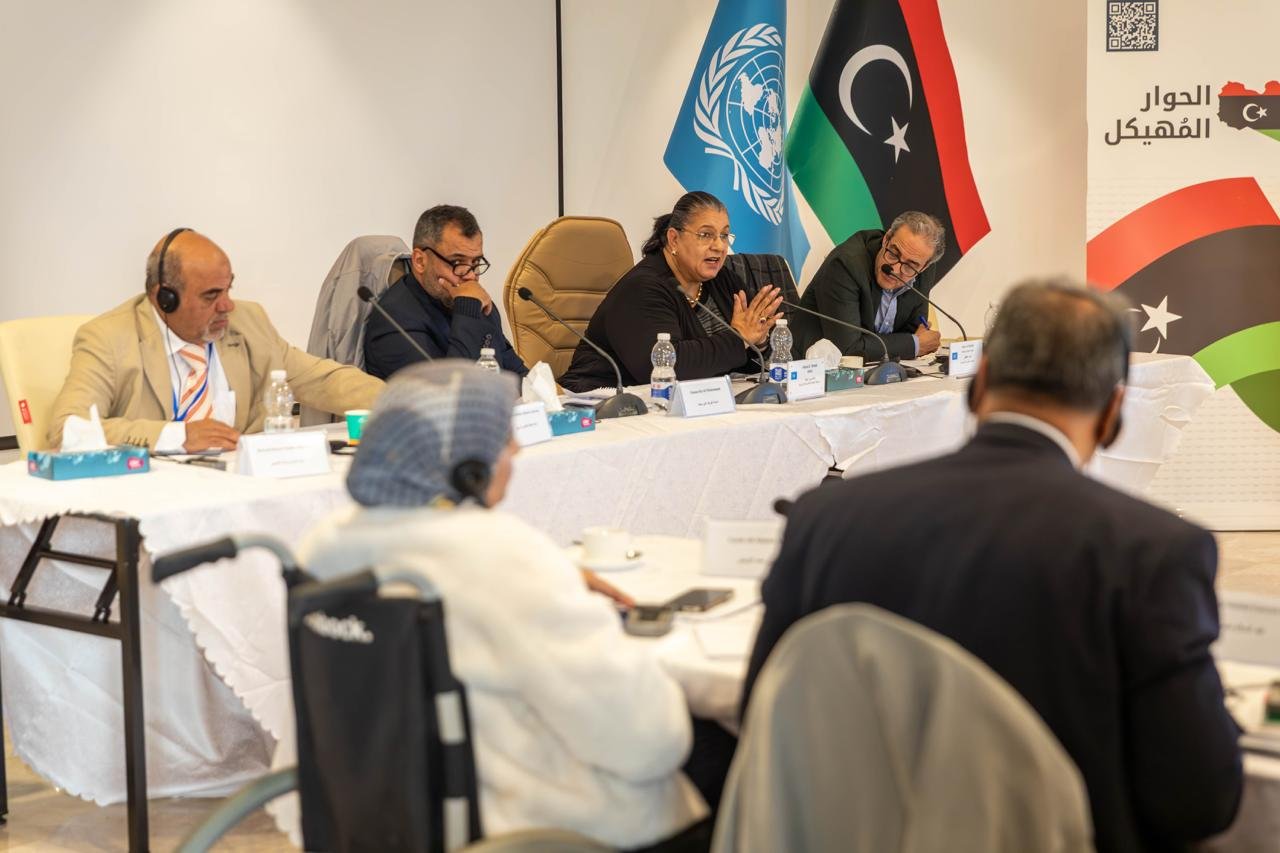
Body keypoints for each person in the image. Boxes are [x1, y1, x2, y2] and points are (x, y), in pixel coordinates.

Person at [743, 280, 1243, 852]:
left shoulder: (825, 519)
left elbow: (765, 716)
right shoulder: (1152, 553)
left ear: (977, 388)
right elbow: (1199, 800)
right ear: (1112, 416)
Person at [298, 361, 710, 851]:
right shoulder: (504, 557)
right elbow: (649, 743)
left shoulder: (322, 547)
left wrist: (551, 578)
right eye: (503, 437)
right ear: (468, 468)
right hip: (539, 831)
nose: (515, 449)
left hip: (387, 821)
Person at [48, 228, 383, 452]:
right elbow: (66, 430)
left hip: (237, 489)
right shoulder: (108, 338)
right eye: (211, 295)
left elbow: (322, 380)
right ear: (164, 298)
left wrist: (400, 401)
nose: (227, 305)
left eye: (228, 289)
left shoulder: (247, 322)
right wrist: (177, 436)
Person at [558, 191, 783, 392]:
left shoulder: (722, 280)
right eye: (706, 235)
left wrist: (759, 340)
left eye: (724, 236)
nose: (719, 246)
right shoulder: (643, 288)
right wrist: (739, 338)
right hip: (602, 404)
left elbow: (740, 363)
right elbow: (666, 367)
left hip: (686, 404)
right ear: (674, 239)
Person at [363, 205, 527, 379]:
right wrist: (467, 309)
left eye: (475, 263)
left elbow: (519, 376)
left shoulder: (476, 303)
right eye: (457, 262)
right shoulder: (394, 321)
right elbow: (454, 390)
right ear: (420, 261)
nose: (471, 276)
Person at [789, 211, 945, 360]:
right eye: (893, 253)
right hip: (810, 368)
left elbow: (915, 331)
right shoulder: (846, 264)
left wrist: (910, 342)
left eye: (909, 266)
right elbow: (848, 349)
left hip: (875, 369)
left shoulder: (923, 272)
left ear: (924, 267)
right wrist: (913, 345)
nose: (895, 269)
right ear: (886, 239)